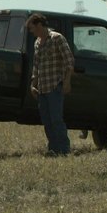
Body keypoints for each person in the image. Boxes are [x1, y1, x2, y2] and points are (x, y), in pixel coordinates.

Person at [27, 13, 75, 156]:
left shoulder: (57, 38)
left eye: (33, 28)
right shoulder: (37, 42)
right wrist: (33, 84)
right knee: (47, 122)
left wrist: (66, 82)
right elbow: (36, 65)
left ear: (40, 25)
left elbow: (69, 61)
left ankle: (64, 150)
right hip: (42, 88)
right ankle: (53, 149)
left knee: (56, 120)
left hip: (55, 86)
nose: (32, 32)